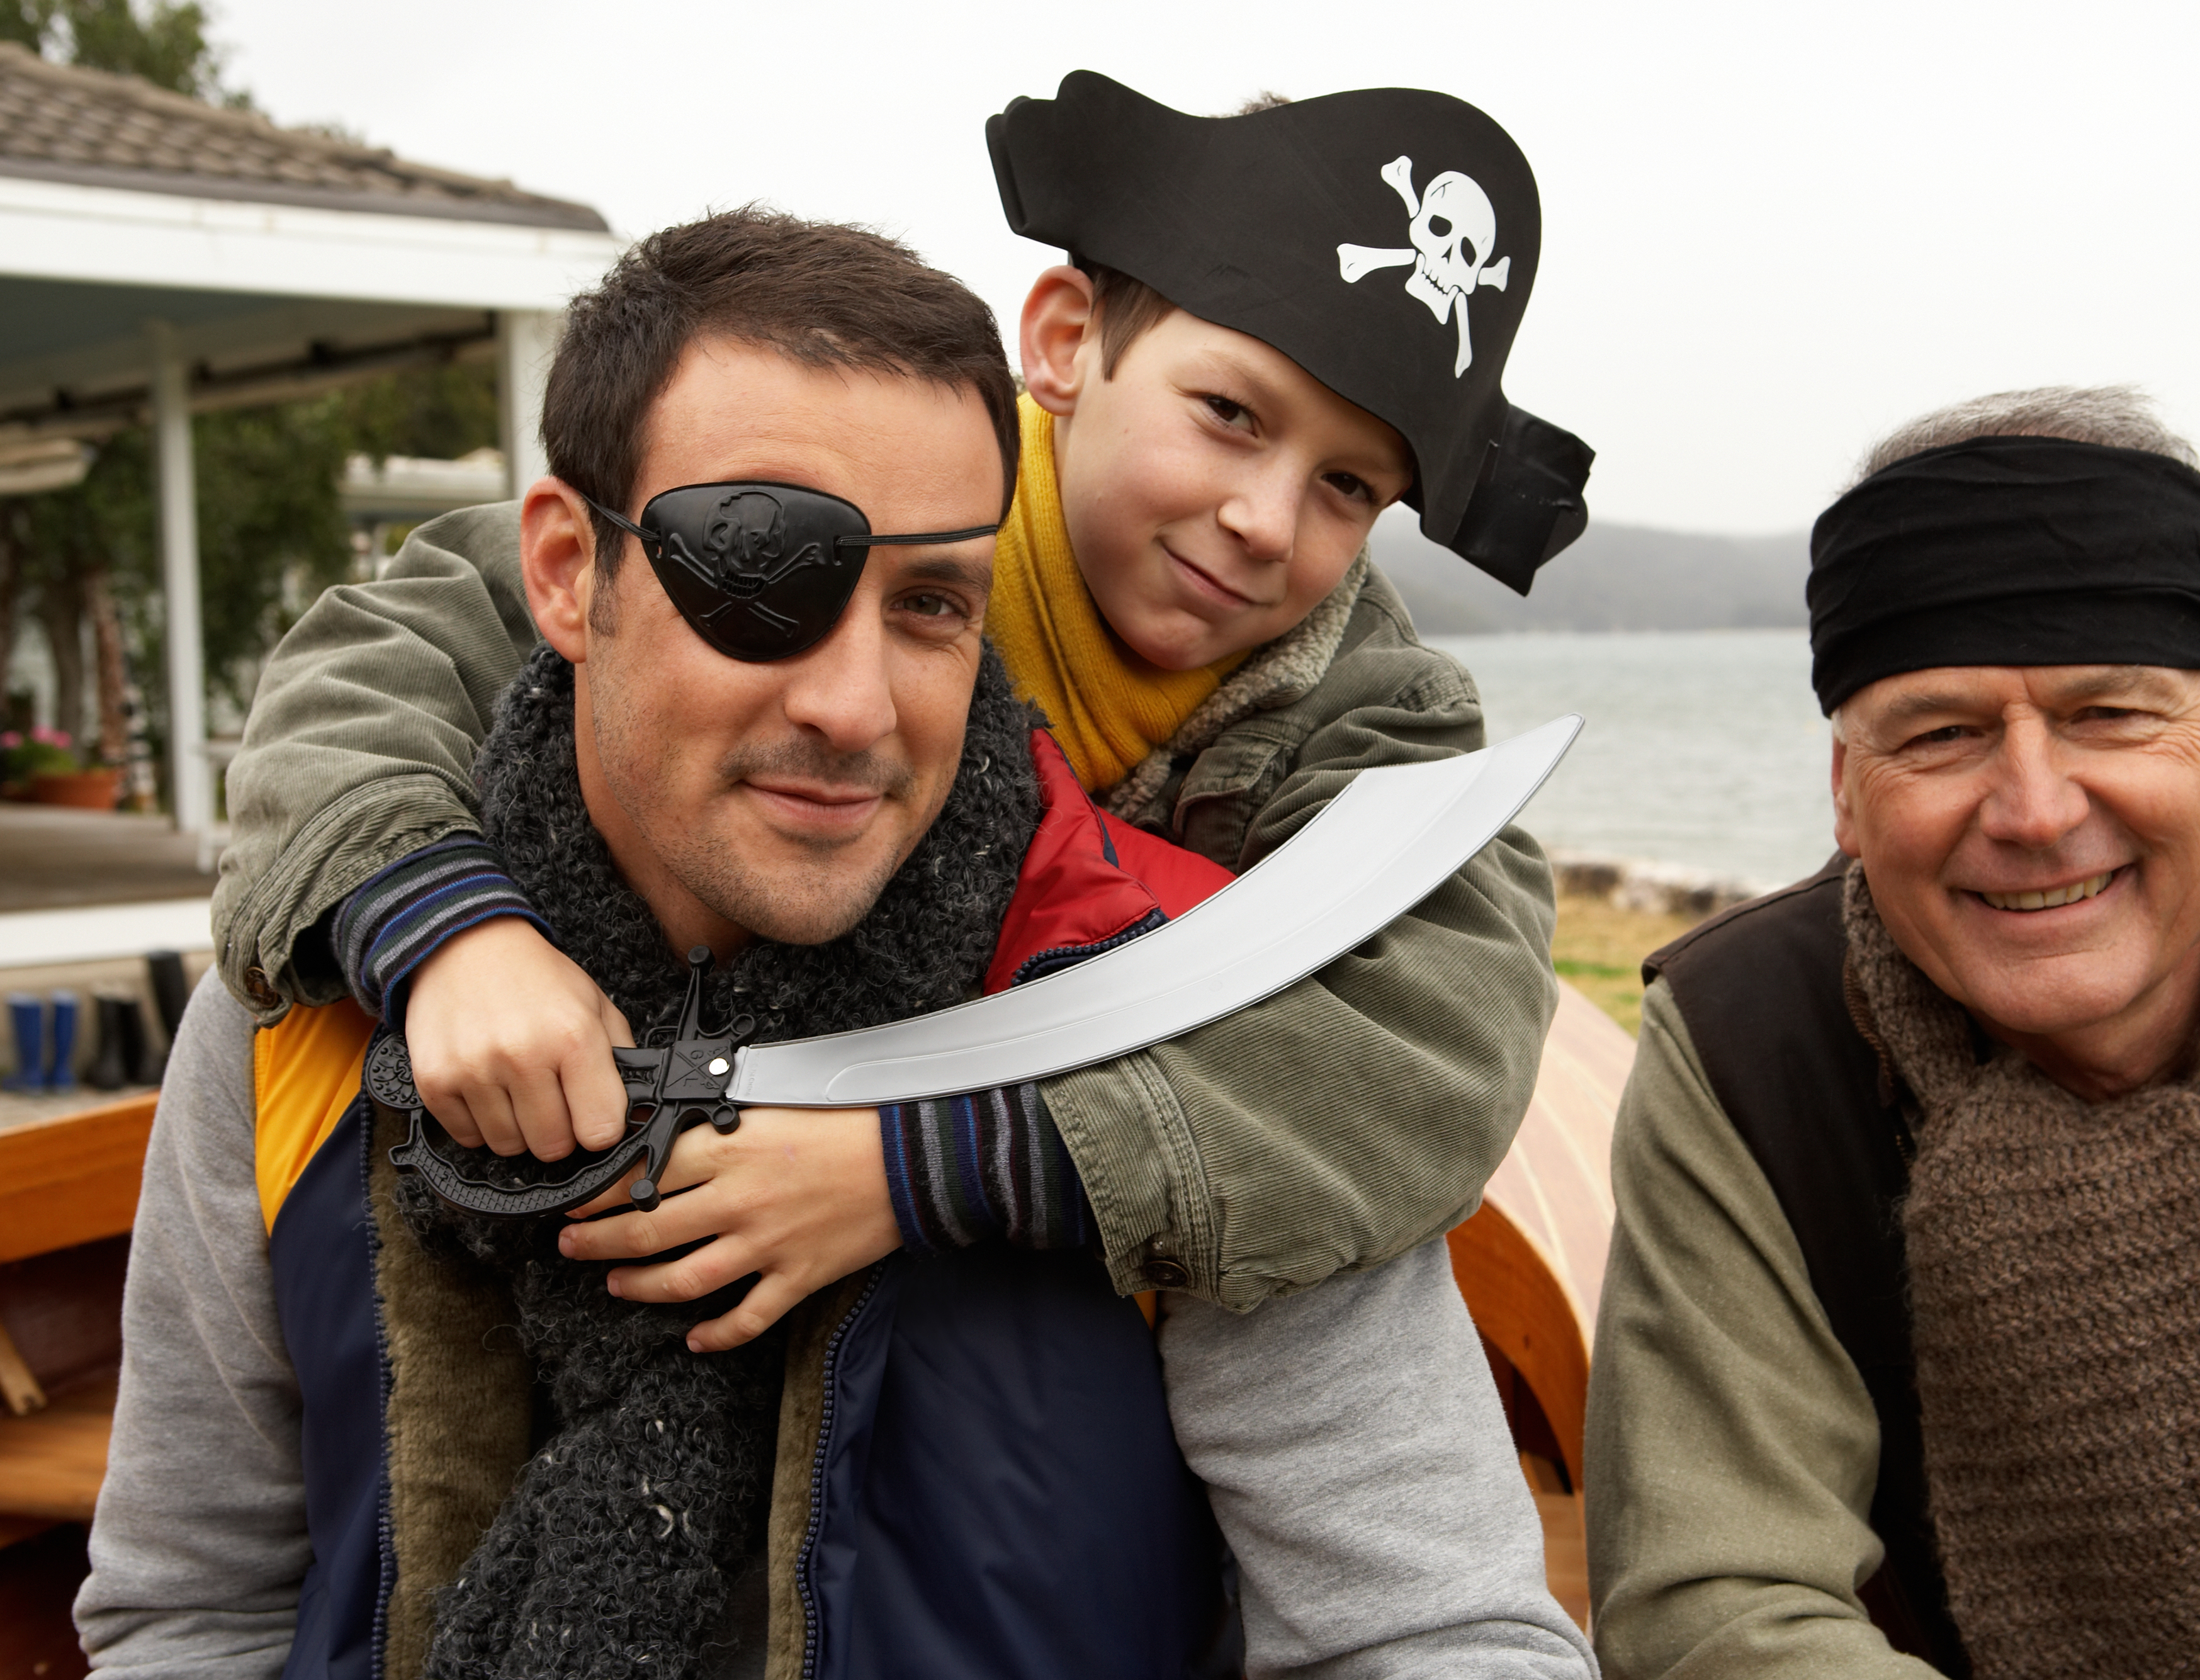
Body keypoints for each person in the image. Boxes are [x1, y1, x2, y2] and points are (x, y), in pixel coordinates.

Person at [77, 211, 1594, 1680]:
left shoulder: (1197, 1008)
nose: (852, 707)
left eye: (935, 604)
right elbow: (188, 1609)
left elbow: (1430, 1632)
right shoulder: (307, 1019)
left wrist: (941, 1155)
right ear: (564, 577)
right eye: (760, 575)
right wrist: (436, 928)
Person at [208, 72, 1595, 1348]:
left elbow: (1441, 1047)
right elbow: (388, 650)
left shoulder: (1371, 729)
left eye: (1349, 487)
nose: (1260, 518)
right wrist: (448, 934)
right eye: (1230, 412)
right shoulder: (881, 483)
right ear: (1060, 341)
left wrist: (923, 1161)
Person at [1582, 386, 2200, 1679]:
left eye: (2107, 714)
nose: (2035, 810)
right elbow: (1716, 1606)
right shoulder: (1745, 1042)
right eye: (1939, 735)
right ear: (1843, 791)